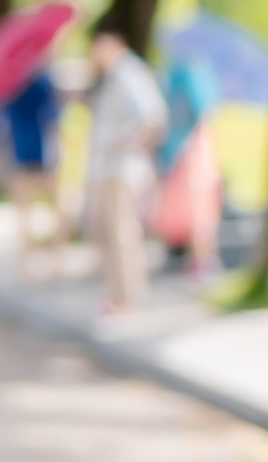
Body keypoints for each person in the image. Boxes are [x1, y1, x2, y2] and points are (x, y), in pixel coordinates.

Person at [86, 20, 169, 312]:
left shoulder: (128, 72)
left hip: (120, 168)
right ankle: (117, 294)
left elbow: (153, 117)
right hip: (109, 167)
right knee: (110, 232)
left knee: (121, 233)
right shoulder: (114, 75)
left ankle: (125, 297)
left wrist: (126, 145)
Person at [153, 57, 223, 279]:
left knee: (196, 212)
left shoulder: (179, 82)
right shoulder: (186, 82)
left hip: (185, 158)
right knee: (192, 212)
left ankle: (202, 260)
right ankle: (197, 260)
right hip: (184, 158)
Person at [0, 66, 62, 274]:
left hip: (20, 154)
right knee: (55, 209)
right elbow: (53, 116)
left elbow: (2, 119)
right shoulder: (43, 80)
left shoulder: (9, 83)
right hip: (43, 155)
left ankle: (26, 265)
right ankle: (55, 261)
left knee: (24, 214)